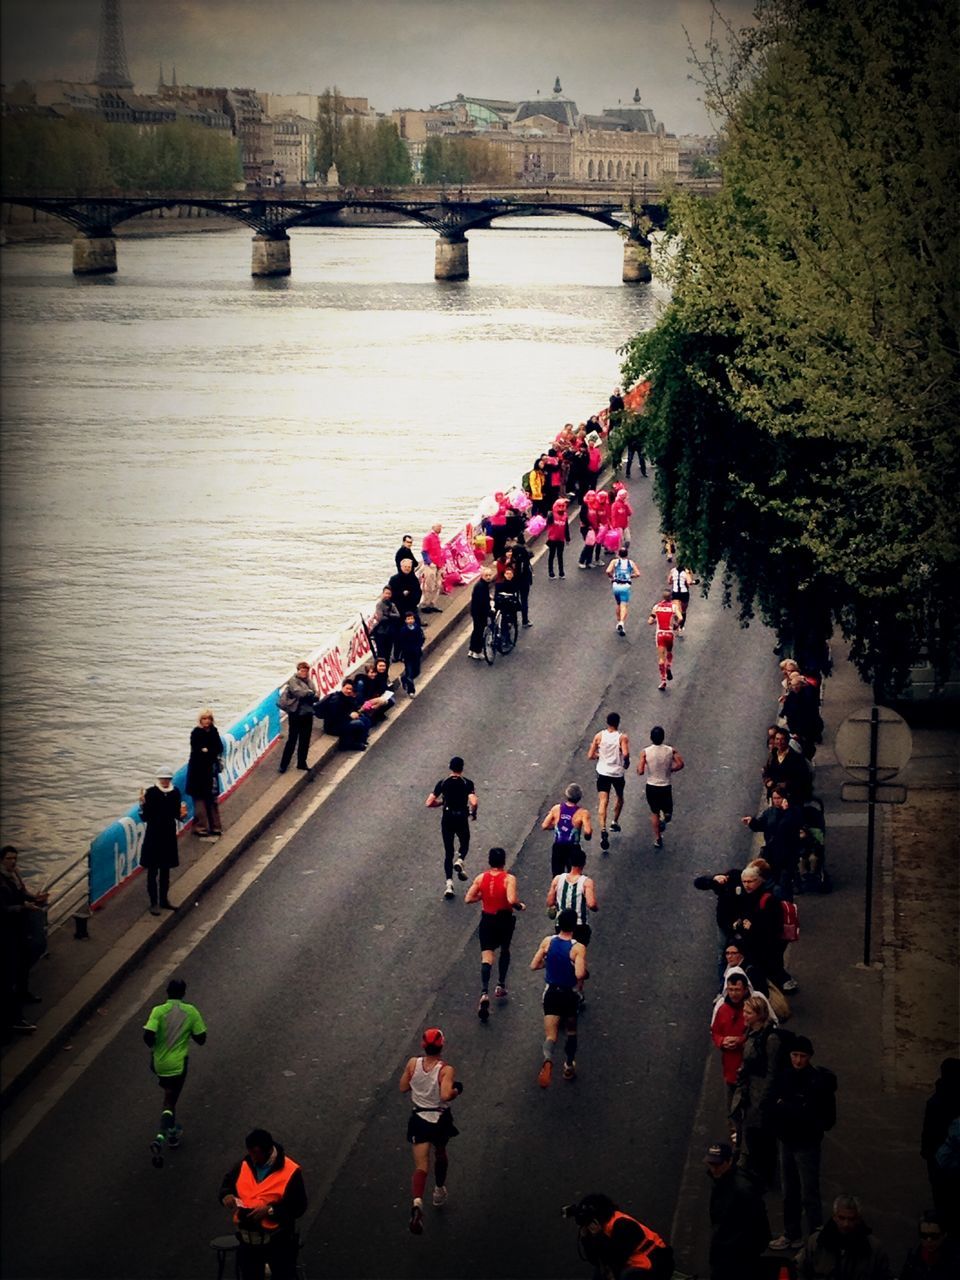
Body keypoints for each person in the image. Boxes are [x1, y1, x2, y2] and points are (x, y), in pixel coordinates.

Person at [766, 1034, 838, 1250]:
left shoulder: (816, 1082)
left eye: (802, 1056)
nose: (798, 1060)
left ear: (809, 1057)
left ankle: (813, 1239)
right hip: (790, 1140)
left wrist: (786, 1108)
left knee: (808, 1193)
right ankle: (794, 1233)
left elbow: (821, 1116)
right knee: (791, 1191)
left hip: (805, 1143)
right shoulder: (789, 1077)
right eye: (795, 1055)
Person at [219, 1127, 307, 1280]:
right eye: (250, 1152)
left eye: (256, 1153)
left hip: (278, 1244)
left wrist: (270, 1211)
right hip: (248, 1243)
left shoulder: (290, 1172)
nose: (252, 1157)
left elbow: (299, 1207)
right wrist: (226, 1195)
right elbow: (227, 1184)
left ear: (268, 1151)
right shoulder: (244, 1164)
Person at [399, 1027, 462, 1234]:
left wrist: (416, 1084)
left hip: (419, 1118)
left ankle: (417, 1202)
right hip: (439, 1119)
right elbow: (445, 1095)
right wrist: (456, 1090)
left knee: (421, 1165)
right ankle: (439, 1190)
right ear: (442, 1045)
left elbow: (402, 1086)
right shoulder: (445, 1070)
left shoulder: (412, 1063)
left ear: (423, 1046)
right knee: (441, 1152)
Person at [143, 977, 207, 1167]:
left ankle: (170, 1127)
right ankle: (164, 1136)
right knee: (170, 1100)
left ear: (167, 992)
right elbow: (201, 1038)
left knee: (168, 1095)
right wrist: (187, 1033)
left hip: (159, 1064)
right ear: (184, 993)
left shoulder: (158, 1011)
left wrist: (157, 1047)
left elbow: (147, 1036)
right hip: (178, 1066)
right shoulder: (191, 1012)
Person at [464, 847, 525, 1020]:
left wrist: (483, 897)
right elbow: (512, 899)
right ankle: (500, 985)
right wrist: (520, 906)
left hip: (487, 920)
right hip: (504, 919)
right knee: (505, 949)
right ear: (504, 861)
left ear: (489, 861)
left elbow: (468, 898)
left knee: (487, 956)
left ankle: (484, 991)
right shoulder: (509, 879)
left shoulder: (481, 878)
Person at [530, 907, 587, 1085]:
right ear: (574, 927)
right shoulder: (578, 948)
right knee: (571, 1031)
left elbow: (534, 964)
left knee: (551, 1035)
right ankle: (568, 1066)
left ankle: (548, 1059)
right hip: (568, 995)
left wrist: (549, 964)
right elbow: (579, 974)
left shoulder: (548, 941)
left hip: (551, 993)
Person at [731, 994, 783, 1185]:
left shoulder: (770, 1039)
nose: (744, 1015)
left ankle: (763, 1174)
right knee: (750, 1130)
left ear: (759, 1014)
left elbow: (771, 1071)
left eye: (748, 1012)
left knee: (761, 1135)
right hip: (750, 1091)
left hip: (760, 1095)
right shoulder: (752, 1033)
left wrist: (764, 1099)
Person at [565, 1192, 673, 1279]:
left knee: (625, 1276)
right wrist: (586, 1239)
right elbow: (595, 1259)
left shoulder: (622, 1225)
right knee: (600, 1272)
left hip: (657, 1262)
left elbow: (616, 1257)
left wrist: (598, 1236)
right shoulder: (600, 1227)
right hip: (634, 1260)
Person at [0, 845, 49, 1035]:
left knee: (22, 964)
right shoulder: (2, 882)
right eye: (9, 859)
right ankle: (13, 1019)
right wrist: (23, 907)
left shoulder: (13, 876)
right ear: (1, 860)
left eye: (15, 858)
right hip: (7, 934)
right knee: (9, 975)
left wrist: (34, 898)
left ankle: (23, 993)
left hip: (18, 931)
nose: (13, 862)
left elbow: (21, 894)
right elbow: (3, 909)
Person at [704, 1141, 770, 1280]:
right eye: (711, 1164)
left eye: (718, 1164)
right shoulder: (722, 1180)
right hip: (728, 1249)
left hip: (737, 1252)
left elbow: (759, 1223)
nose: (714, 1169)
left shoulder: (742, 1190)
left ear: (729, 1161)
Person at [795, 1194, 891, 1279]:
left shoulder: (874, 1249)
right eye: (842, 1218)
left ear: (858, 1219)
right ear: (834, 1217)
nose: (846, 1224)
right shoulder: (815, 1242)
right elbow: (799, 1270)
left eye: (851, 1219)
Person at [547, 849, 597, 1004]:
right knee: (579, 956)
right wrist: (595, 907)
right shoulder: (586, 882)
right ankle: (578, 990)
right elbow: (591, 903)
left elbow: (549, 901)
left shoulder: (558, 879)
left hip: (561, 925)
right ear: (583, 863)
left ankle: (557, 984)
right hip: (579, 925)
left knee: (563, 953)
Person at [426, 756, 478, 899]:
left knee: (448, 851)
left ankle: (449, 885)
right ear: (462, 768)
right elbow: (473, 801)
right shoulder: (467, 783)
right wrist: (474, 812)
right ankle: (460, 860)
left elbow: (429, 802)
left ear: (450, 767)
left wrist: (442, 803)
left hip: (447, 818)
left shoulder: (442, 783)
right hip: (461, 817)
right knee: (465, 842)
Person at [138, 769, 187, 915]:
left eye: (167, 779)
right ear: (159, 779)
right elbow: (145, 817)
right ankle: (153, 903)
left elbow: (177, 814)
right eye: (163, 779)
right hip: (153, 834)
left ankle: (164, 900)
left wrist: (182, 814)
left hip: (168, 834)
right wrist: (142, 805)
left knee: (165, 870)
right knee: (152, 870)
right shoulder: (151, 793)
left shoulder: (175, 792)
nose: (165, 781)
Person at [921, 1058, 960, 1230]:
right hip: (951, 1158)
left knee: (942, 1199)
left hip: (939, 1159)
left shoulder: (936, 1102)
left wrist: (928, 1153)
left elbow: (928, 1132)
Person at [587, 712, 630, 852]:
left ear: (607, 722)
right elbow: (625, 753)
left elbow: (590, 755)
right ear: (618, 722)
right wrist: (626, 762)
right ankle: (614, 822)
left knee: (603, 800)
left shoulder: (599, 736)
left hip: (603, 772)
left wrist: (600, 755)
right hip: (617, 773)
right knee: (620, 797)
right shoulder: (622, 737)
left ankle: (603, 828)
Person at [637, 726, 684, 850]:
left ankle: (658, 837)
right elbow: (680, 764)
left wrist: (643, 765)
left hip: (651, 786)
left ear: (651, 738)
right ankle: (664, 818)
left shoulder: (645, 752)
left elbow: (640, 771)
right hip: (665, 785)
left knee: (654, 812)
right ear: (663, 737)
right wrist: (670, 769)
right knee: (668, 812)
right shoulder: (670, 750)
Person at [711, 971, 749, 1122]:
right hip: (730, 1067)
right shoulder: (722, 1010)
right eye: (731, 990)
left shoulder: (751, 1008)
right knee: (732, 1106)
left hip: (749, 1066)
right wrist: (722, 1041)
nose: (733, 994)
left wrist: (740, 1041)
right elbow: (715, 1032)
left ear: (745, 990)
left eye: (737, 990)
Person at [541, 782, 593, 877]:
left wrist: (557, 827)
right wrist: (587, 836)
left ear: (566, 795)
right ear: (579, 797)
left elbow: (544, 825)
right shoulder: (583, 813)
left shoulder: (556, 808)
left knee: (557, 875)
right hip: (573, 847)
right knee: (574, 875)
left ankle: (557, 891)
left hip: (558, 846)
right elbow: (588, 831)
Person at [186, 708, 223, 837]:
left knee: (209, 799)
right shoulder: (197, 733)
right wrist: (208, 751)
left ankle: (212, 826)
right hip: (199, 773)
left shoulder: (212, 731)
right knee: (201, 800)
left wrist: (207, 750)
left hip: (207, 771)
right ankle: (204, 827)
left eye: (208, 718)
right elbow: (200, 750)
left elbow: (217, 748)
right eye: (204, 719)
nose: (206, 721)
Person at [278, 661, 317, 773]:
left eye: (306, 671)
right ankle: (283, 765)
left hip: (307, 714)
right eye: (302, 670)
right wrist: (309, 693)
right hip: (296, 714)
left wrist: (309, 693)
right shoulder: (292, 681)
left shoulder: (309, 681)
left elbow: (314, 693)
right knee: (292, 739)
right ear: (298, 670)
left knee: (305, 740)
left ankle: (301, 763)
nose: (304, 673)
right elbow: (299, 693)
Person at [898, 1210, 960, 1280]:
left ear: (944, 1235)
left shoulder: (954, 1259)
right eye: (924, 1235)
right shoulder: (914, 1257)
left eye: (934, 1236)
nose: (929, 1240)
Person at [313, 678, 370, 750]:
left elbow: (353, 707)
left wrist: (356, 712)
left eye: (350, 689)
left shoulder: (348, 697)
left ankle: (362, 740)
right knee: (358, 723)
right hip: (333, 726)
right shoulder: (336, 699)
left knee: (365, 719)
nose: (349, 691)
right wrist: (349, 716)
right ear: (342, 687)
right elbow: (335, 716)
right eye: (347, 688)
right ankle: (350, 744)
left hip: (343, 721)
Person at [647, 587, 678, 691]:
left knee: (661, 658)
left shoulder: (656, 607)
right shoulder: (673, 607)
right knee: (669, 651)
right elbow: (680, 618)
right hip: (669, 633)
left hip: (660, 634)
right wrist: (676, 625)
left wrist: (657, 621)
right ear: (671, 597)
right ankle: (668, 666)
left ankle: (663, 680)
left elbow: (650, 621)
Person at [606, 547, 640, 635]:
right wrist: (630, 576)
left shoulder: (615, 562)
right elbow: (638, 574)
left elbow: (608, 571)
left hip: (616, 586)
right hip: (625, 586)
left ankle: (618, 622)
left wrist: (612, 577)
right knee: (624, 604)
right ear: (627, 554)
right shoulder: (630, 563)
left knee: (618, 603)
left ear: (618, 554)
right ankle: (621, 622)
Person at [395, 610, 425, 697]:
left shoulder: (417, 628)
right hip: (407, 654)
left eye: (411, 618)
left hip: (417, 653)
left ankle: (403, 678)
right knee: (409, 673)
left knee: (417, 671)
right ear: (405, 621)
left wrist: (419, 645)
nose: (410, 620)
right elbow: (400, 642)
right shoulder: (403, 630)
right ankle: (411, 691)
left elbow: (422, 638)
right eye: (408, 619)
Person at [467, 565, 494, 659]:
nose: (489, 577)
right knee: (480, 631)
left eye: (490, 575)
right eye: (486, 575)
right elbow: (483, 602)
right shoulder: (482, 586)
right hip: (480, 613)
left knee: (476, 630)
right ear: (482, 576)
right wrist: (489, 611)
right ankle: (477, 651)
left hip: (476, 611)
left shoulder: (481, 585)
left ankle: (472, 649)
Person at [371, 585, 401, 667]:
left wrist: (387, 614)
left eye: (389, 594)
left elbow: (398, 615)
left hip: (390, 632)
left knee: (388, 654)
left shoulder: (392, 604)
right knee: (381, 655)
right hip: (380, 632)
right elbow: (380, 618)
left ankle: (386, 673)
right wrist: (390, 616)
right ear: (383, 593)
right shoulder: (379, 604)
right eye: (386, 593)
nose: (387, 595)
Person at [387, 556, 423, 622]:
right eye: (405, 567)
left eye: (409, 567)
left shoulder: (414, 579)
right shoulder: (394, 579)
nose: (407, 569)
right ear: (401, 567)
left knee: (415, 621)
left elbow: (418, 592)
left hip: (411, 605)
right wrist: (402, 594)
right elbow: (391, 594)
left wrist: (414, 602)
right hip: (399, 605)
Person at [419, 523, 445, 613]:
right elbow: (424, 552)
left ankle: (432, 603)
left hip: (439, 564)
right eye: (439, 527)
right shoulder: (428, 538)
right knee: (429, 585)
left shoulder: (436, 537)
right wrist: (429, 562)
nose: (440, 529)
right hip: (431, 565)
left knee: (438, 585)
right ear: (433, 527)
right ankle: (425, 604)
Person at [546, 496, 571, 578]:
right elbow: (547, 524)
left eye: (562, 506)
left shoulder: (565, 516)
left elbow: (566, 527)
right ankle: (551, 572)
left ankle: (561, 572)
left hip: (561, 539)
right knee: (551, 555)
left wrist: (567, 538)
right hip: (552, 539)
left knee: (560, 556)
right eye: (559, 506)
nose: (561, 508)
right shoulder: (551, 515)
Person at [669, 565, 692, 633]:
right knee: (683, 611)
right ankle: (681, 627)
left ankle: (676, 624)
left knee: (676, 610)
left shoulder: (673, 570)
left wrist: (674, 581)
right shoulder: (686, 572)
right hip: (684, 593)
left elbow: (669, 581)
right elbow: (689, 582)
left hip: (675, 592)